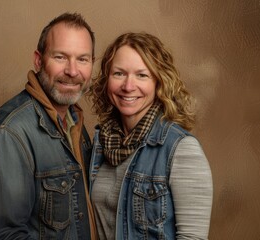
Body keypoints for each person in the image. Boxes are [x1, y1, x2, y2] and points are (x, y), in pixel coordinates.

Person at [0, 12, 97, 239]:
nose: (73, 71)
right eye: (60, 57)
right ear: (38, 60)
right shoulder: (9, 134)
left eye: (82, 59)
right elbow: (4, 235)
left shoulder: (73, 123)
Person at [88, 32, 213, 239]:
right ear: (106, 79)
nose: (128, 86)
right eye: (119, 73)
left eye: (142, 75)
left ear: (159, 82)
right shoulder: (100, 144)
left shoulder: (181, 149)